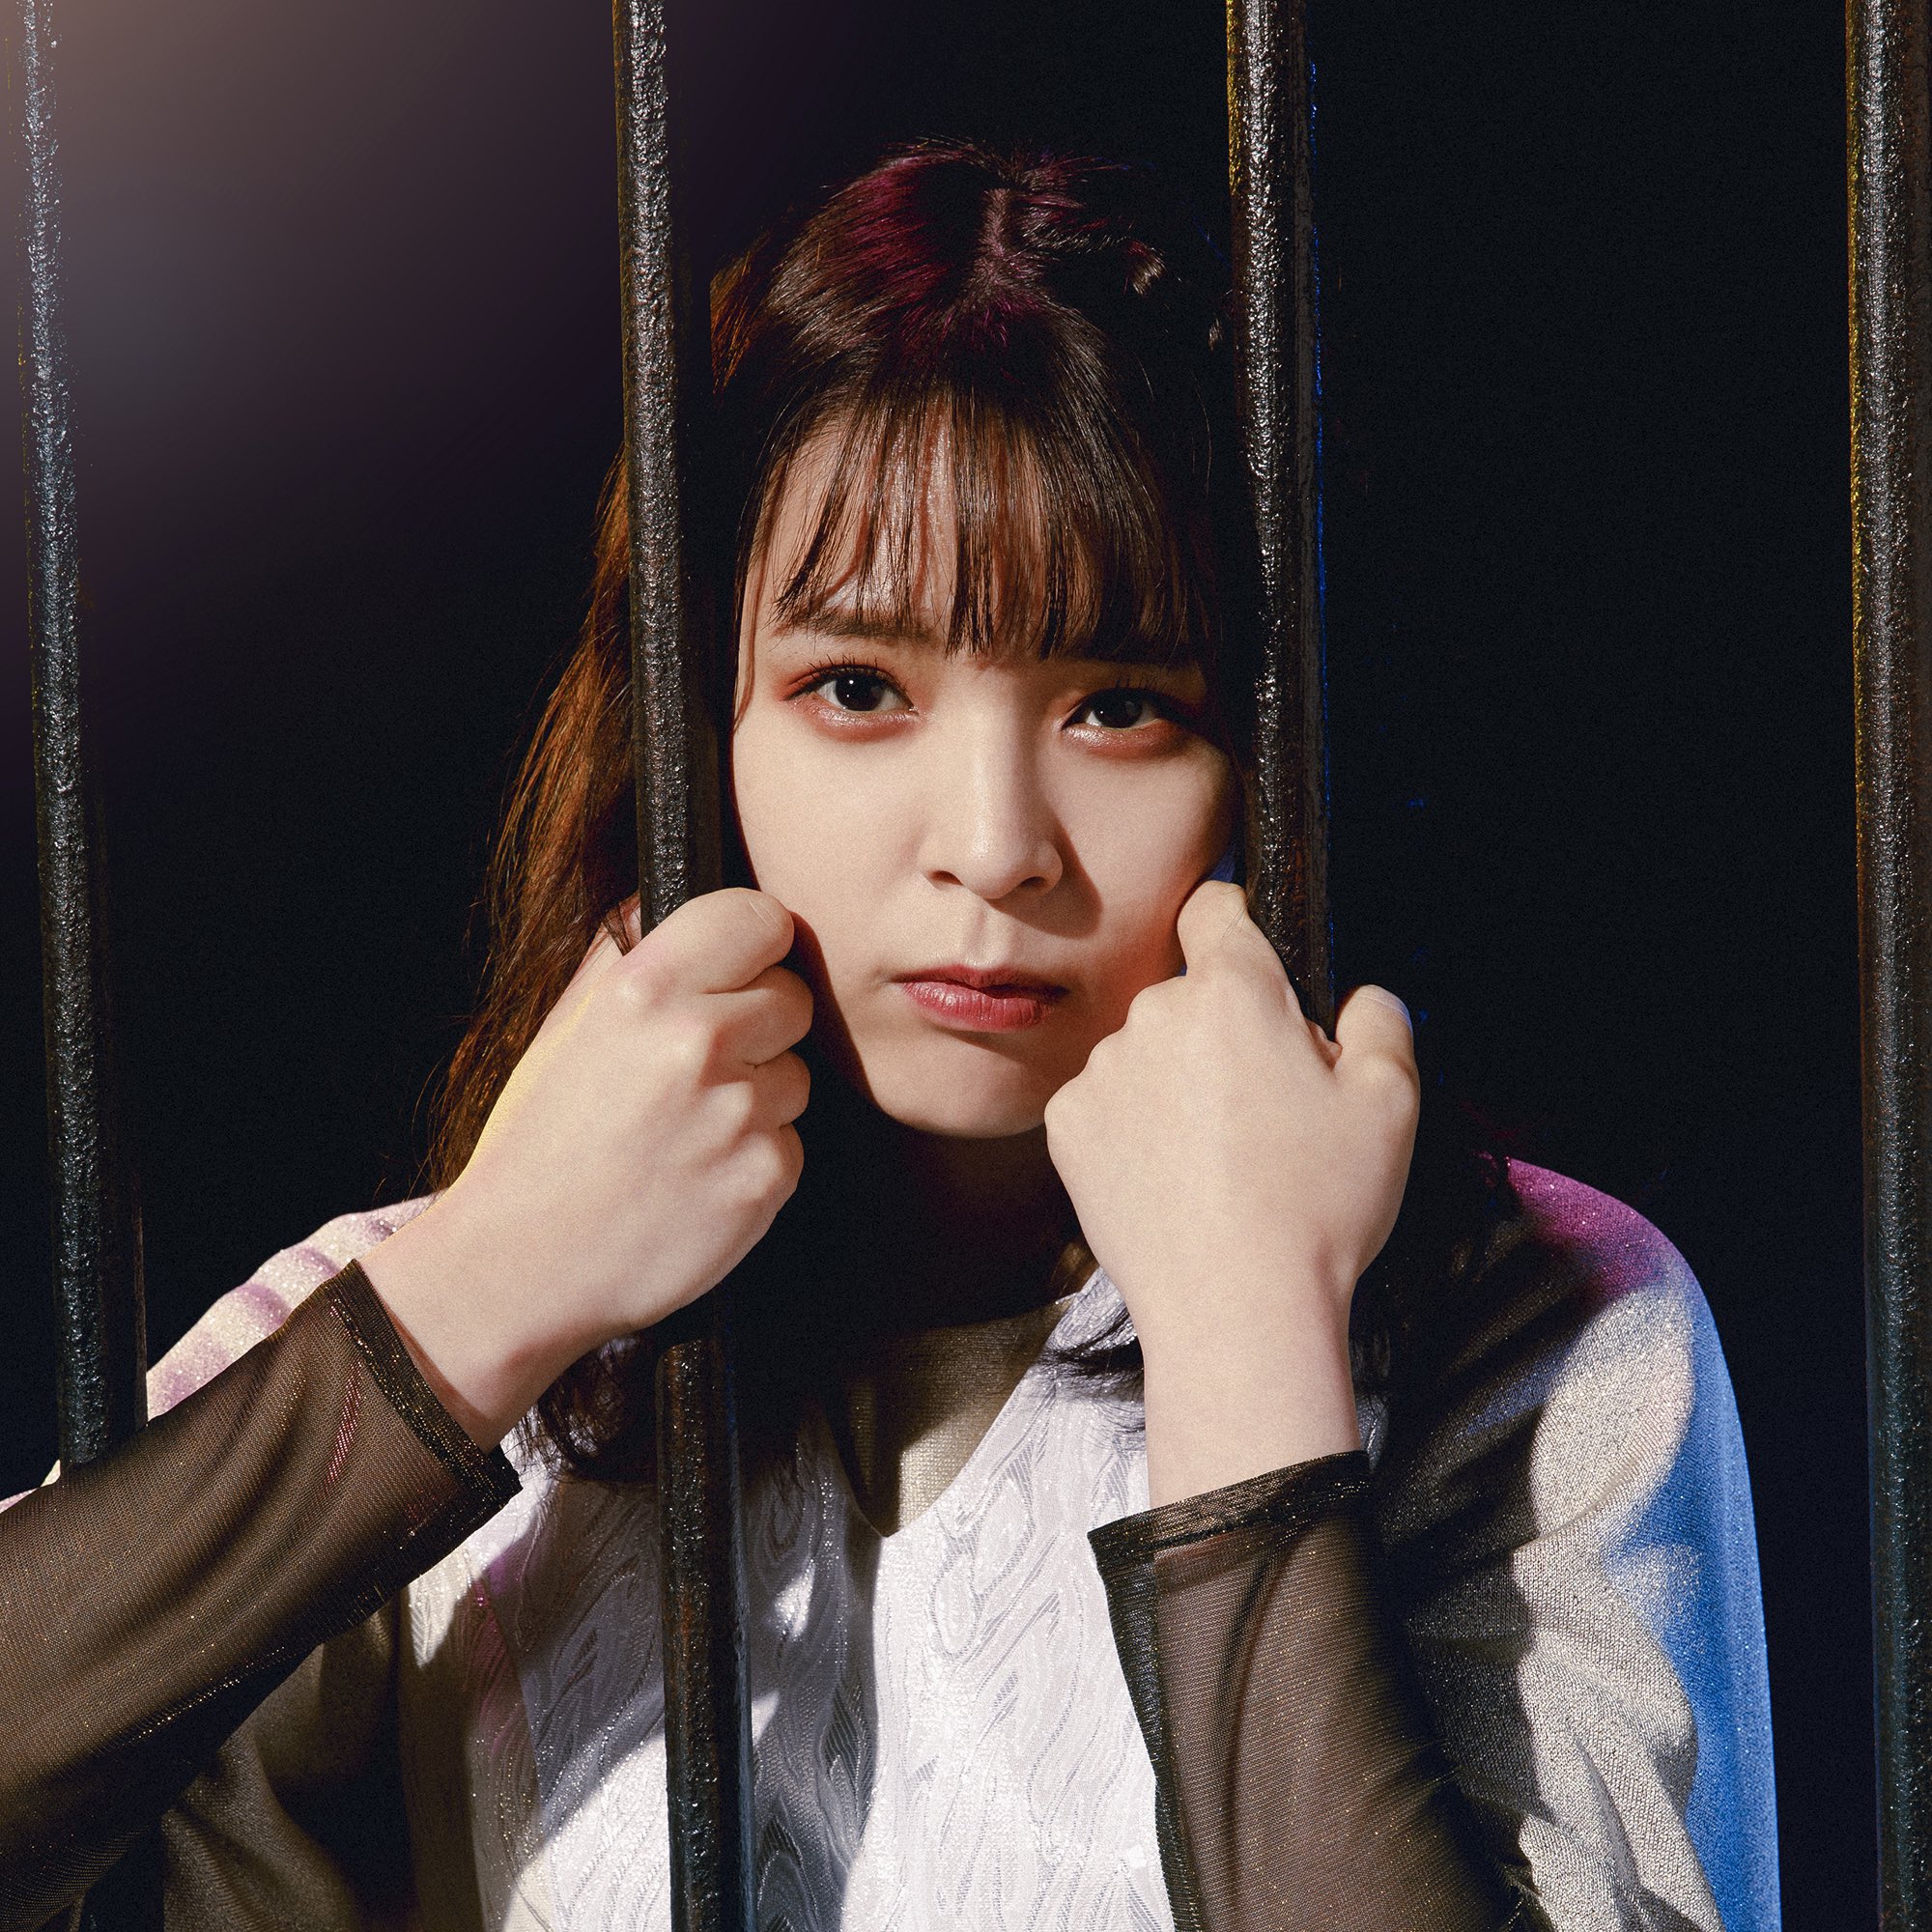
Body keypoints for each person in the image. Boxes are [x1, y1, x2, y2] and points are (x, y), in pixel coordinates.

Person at [0, 143, 1776, 1931]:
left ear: (1262, 748)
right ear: (697, 726)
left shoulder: (1540, 1320)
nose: (994, 846)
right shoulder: (423, 1307)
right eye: (857, 689)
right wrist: (485, 1292)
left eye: (1120, 706)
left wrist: (1251, 1349)